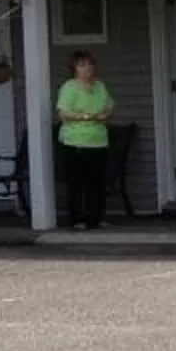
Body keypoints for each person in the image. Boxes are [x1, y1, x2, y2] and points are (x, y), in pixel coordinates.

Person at [55, 51, 116, 229]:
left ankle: (96, 218)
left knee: (96, 182)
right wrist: (84, 117)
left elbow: (110, 106)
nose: (87, 68)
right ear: (74, 69)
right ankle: (77, 219)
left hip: (98, 140)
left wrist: (105, 115)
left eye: (90, 64)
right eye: (82, 65)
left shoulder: (100, 86)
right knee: (77, 182)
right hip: (75, 141)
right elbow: (63, 112)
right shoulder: (70, 87)